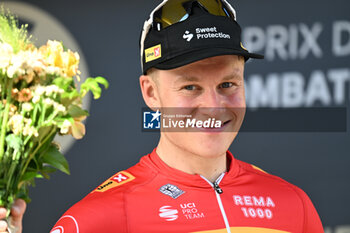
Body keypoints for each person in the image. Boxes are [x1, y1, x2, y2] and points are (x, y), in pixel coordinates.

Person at [3, 0, 325, 232]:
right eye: (190, 87)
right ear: (151, 93)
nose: (213, 106)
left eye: (228, 84)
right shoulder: (102, 216)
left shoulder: (292, 204)